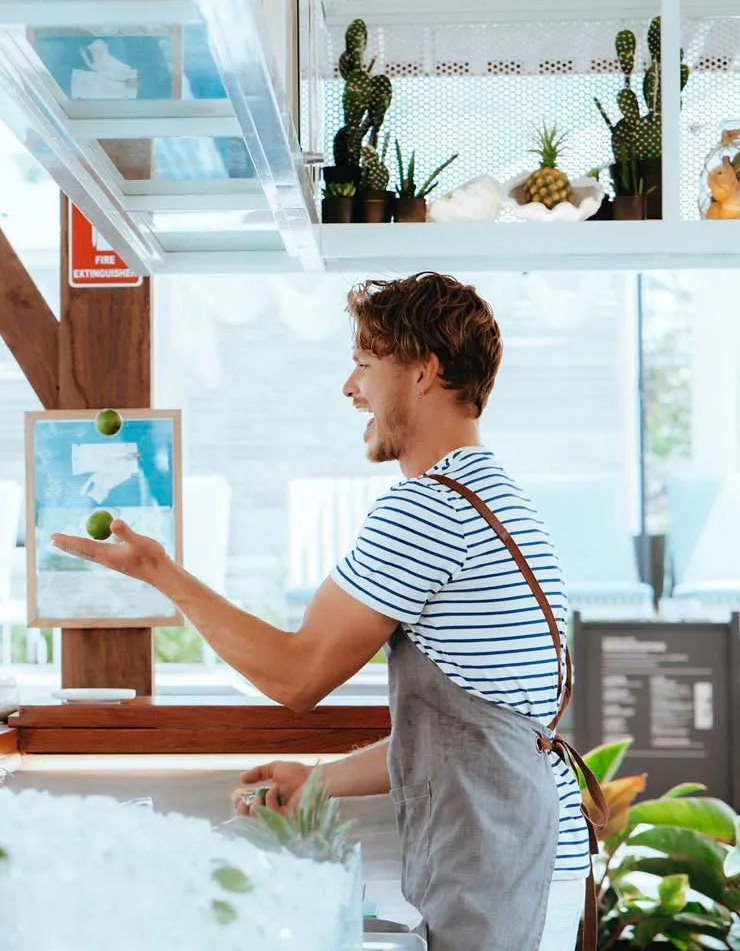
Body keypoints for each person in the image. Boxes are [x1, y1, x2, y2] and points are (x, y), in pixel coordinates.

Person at [52, 273, 606, 950]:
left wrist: (162, 575)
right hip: (531, 853)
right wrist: (318, 782)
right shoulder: (501, 499)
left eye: (365, 365)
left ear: (424, 372)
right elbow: (465, 736)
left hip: (496, 867)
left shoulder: (428, 509)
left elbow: (296, 676)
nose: (350, 388)